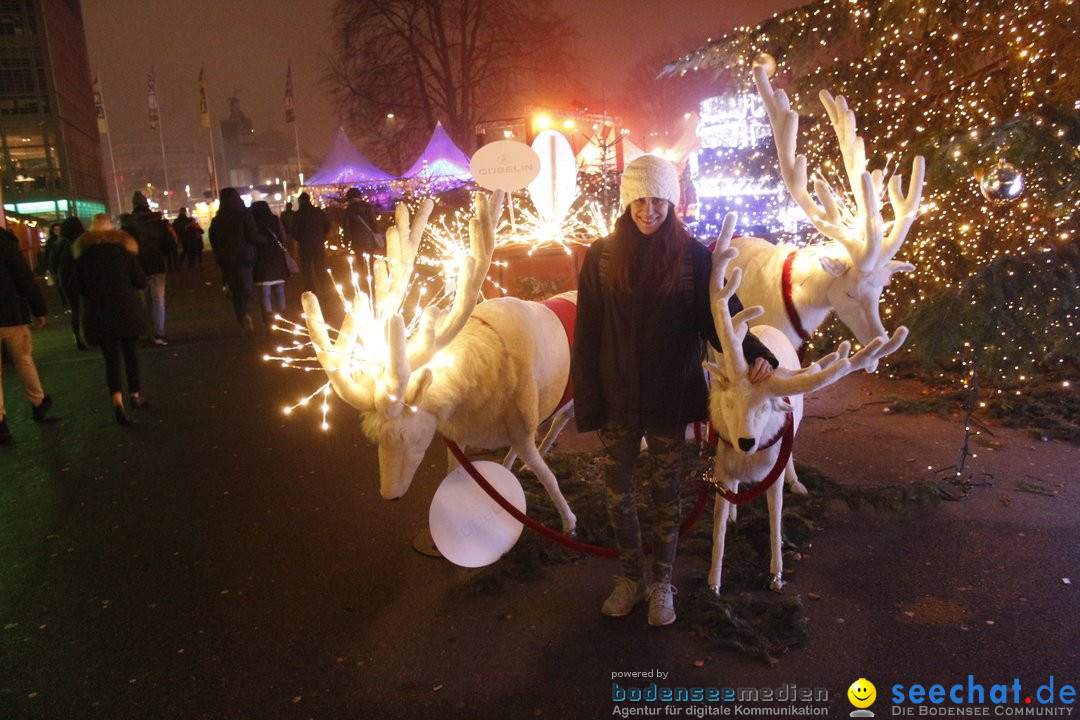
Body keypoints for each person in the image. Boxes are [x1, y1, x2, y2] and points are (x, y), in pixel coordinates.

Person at [572, 155, 777, 627]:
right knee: (617, 494)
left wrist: (759, 350)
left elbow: (721, 320)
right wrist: (590, 402)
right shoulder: (602, 257)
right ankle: (630, 578)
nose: (648, 210)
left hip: (670, 394)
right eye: (639, 200)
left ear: (672, 201)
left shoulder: (693, 258)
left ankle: (661, 580)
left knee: (667, 493)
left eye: (658, 199)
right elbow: (587, 334)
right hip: (617, 395)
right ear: (627, 202)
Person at [71, 213, 149, 426]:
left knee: (112, 360)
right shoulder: (124, 254)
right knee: (131, 355)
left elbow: (76, 288)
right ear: (113, 230)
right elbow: (141, 282)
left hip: (99, 314)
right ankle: (135, 395)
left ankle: (118, 402)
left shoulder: (83, 258)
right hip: (127, 311)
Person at [0, 226, 55, 443]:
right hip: (11, 313)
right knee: (23, 359)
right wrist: (38, 309)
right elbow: (24, 279)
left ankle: (1, 424)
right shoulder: (5, 242)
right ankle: (38, 402)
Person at [120, 191, 172, 345]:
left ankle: (147, 330)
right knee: (158, 300)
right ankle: (159, 333)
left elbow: (124, 247)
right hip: (157, 265)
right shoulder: (158, 222)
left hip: (138, 266)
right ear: (147, 205)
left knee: (143, 300)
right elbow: (169, 245)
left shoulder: (128, 224)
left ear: (133, 205)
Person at [208, 187, 261, 335]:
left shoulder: (217, 220)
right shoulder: (245, 215)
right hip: (245, 258)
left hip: (227, 261)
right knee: (246, 288)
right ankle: (248, 313)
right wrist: (264, 239)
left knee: (235, 291)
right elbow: (252, 235)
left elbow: (214, 241)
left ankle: (242, 317)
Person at [250, 200, 290, 329]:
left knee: (265, 293)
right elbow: (283, 238)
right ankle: (283, 318)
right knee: (280, 291)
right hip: (277, 259)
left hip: (261, 261)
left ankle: (268, 320)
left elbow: (252, 238)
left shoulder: (253, 222)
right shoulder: (275, 219)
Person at [55, 216, 89, 350]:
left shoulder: (58, 243)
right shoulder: (84, 241)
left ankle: (78, 337)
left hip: (66, 280)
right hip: (84, 279)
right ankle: (88, 335)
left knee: (75, 310)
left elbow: (53, 263)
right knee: (86, 307)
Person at [292, 192, 331, 297]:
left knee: (307, 269)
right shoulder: (318, 211)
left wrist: (300, 238)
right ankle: (325, 288)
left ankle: (311, 291)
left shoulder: (297, 214)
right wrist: (322, 236)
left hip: (305, 245)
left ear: (300, 201)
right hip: (318, 243)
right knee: (320, 267)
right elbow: (328, 225)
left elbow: (294, 232)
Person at [342, 187, 380, 257]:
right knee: (369, 259)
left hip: (356, 239)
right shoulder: (367, 206)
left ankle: (361, 268)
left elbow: (347, 227)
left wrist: (346, 242)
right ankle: (370, 268)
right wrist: (377, 233)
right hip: (369, 238)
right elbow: (373, 222)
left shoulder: (349, 209)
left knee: (360, 261)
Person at [42, 222, 66, 306]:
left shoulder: (65, 239)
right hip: (56, 265)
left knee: (63, 282)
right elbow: (48, 254)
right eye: (55, 229)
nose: (57, 231)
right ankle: (64, 299)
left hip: (63, 264)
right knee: (60, 283)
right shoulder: (51, 241)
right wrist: (48, 267)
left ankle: (65, 299)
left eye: (59, 229)